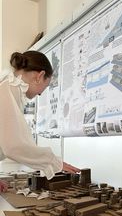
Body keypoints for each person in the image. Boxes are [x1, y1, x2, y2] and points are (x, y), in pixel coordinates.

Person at [0, 50, 80, 191]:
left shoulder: (9, 88)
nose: (40, 93)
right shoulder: (8, 90)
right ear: (40, 76)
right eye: (45, 86)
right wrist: (53, 162)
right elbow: (13, 146)